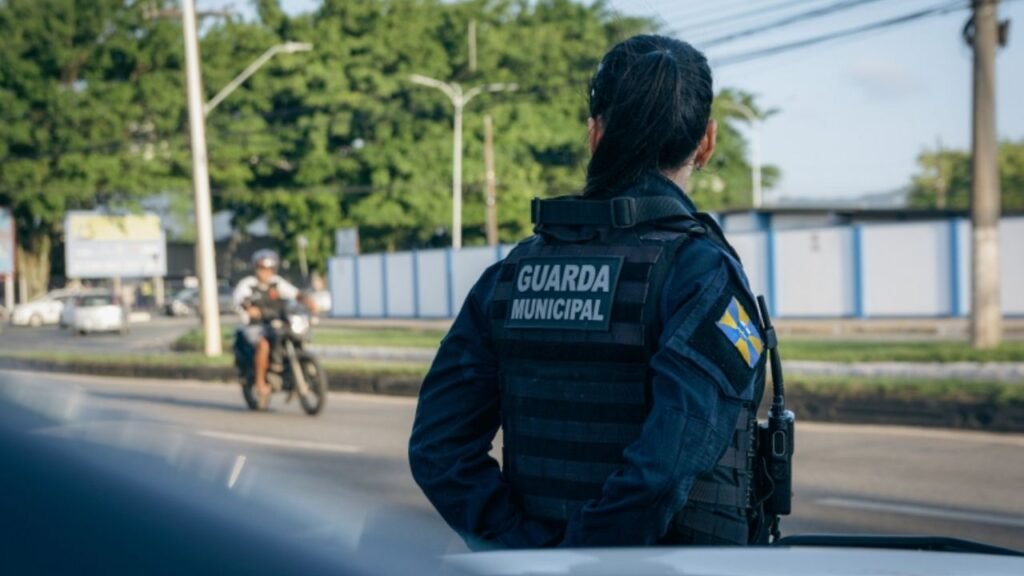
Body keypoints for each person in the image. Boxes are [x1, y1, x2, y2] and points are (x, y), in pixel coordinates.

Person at [408, 34, 769, 549]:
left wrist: (525, 550)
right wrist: (584, 556)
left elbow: (438, 450)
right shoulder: (699, 271)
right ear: (707, 143)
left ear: (594, 134)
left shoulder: (512, 273)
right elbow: (668, 464)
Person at [233, 249, 313, 399]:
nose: (266, 272)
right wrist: (250, 309)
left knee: (294, 336)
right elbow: (240, 300)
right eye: (263, 268)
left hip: (276, 324)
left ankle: (288, 370)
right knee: (263, 344)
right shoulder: (248, 284)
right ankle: (260, 382)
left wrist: (309, 301)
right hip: (255, 326)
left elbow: (295, 294)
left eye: (269, 268)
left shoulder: (277, 283)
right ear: (256, 268)